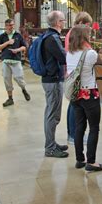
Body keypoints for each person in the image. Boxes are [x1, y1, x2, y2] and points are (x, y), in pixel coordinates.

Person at [66, 25, 102, 172]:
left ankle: (79, 159)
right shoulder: (90, 54)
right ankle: (92, 161)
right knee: (94, 127)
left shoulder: (69, 53)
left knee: (79, 127)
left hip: (75, 95)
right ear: (84, 37)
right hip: (89, 94)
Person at [41, 10, 69, 158]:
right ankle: (50, 148)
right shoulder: (52, 38)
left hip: (51, 79)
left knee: (52, 114)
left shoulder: (49, 36)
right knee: (52, 115)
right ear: (58, 22)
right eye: (63, 20)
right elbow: (63, 57)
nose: (64, 23)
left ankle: (51, 143)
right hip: (52, 80)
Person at [64, 12, 93, 145]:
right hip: (77, 75)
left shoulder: (73, 32)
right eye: (87, 25)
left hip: (74, 73)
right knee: (74, 107)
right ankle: (73, 135)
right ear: (81, 22)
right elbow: (85, 52)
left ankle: (73, 133)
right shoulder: (76, 34)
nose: (89, 28)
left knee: (73, 106)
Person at [0, 19, 31, 107]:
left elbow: (24, 47)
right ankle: (10, 98)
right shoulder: (2, 36)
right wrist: (7, 42)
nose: (11, 27)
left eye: (12, 25)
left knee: (19, 78)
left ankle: (23, 89)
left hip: (16, 60)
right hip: (6, 61)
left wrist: (17, 50)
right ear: (6, 26)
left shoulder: (18, 35)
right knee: (7, 79)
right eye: (10, 25)